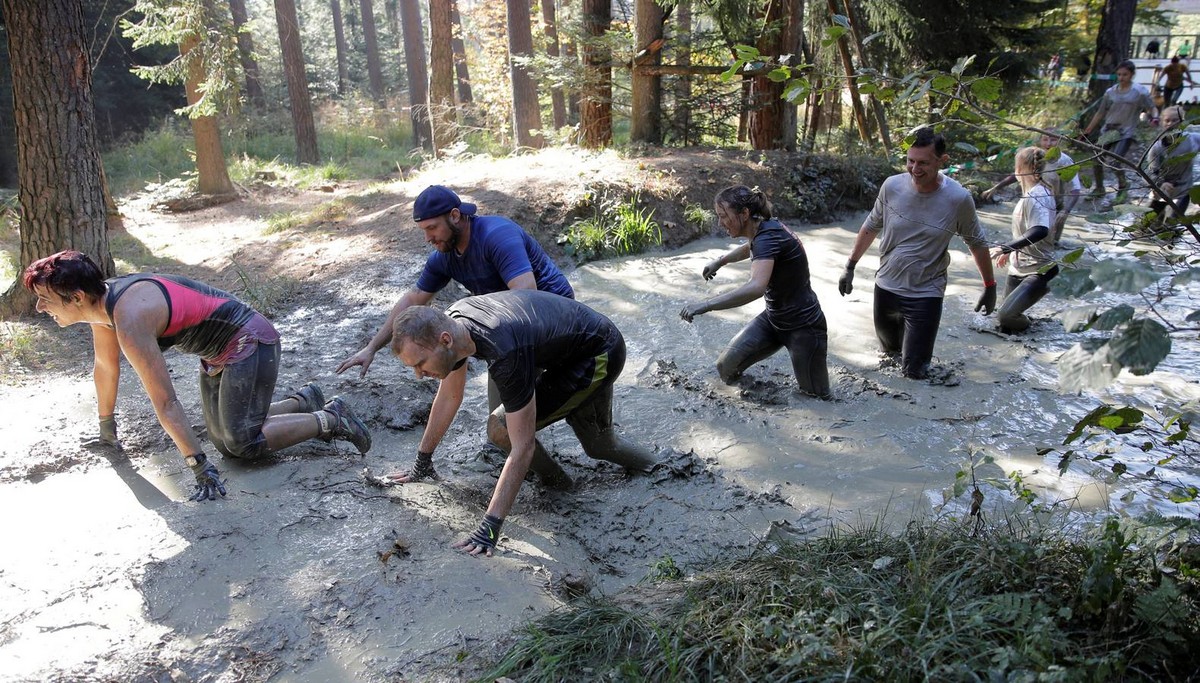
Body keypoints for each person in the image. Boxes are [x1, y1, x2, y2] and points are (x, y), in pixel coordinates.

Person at [22, 251, 372, 501]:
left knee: (241, 444)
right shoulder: (103, 305)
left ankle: (330, 417)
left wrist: (199, 467)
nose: (39, 308)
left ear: (77, 296)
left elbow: (166, 401)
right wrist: (106, 431)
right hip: (220, 353)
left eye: (44, 299)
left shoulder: (129, 320)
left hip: (251, 341)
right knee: (223, 442)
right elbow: (105, 367)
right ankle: (303, 401)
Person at [386, 291, 657, 556]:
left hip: (599, 353)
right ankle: (561, 482)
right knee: (584, 440)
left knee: (595, 445)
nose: (419, 376)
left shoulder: (505, 351)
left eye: (420, 364)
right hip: (570, 348)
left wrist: (488, 530)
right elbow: (449, 396)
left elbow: (522, 447)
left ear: (445, 340)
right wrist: (422, 463)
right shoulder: (455, 327)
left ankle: (651, 469)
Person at [336, 184, 574, 381]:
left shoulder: (497, 235)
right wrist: (372, 348)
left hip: (558, 319)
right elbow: (412, 299)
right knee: (502, 420)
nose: (428, 238)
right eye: (423, 230)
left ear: (455, 216)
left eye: (432, 228)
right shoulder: (443, 258)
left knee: (511, 418)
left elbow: (526, 295)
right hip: (513, 326)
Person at [836, 127, 997, 380]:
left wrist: (989, 285)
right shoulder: (892, 186)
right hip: (886, 289)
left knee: (914, 374)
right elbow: (870, 227)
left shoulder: (958, 199)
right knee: (888, 359)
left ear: (942, 161)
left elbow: (976, 243)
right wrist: (850, 266)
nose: (915, 169)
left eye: (923, 163)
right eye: (910, 161)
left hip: (925, 295)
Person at [679, 185, 830, 399]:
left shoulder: (768, 237)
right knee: (726, 367)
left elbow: (756, 287)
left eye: (724, 216)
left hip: (804, 327)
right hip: (774, 319)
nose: (720, 223)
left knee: (818, 399)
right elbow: (752, 247)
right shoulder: (763, 228)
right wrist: (721, 261)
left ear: (745, 214)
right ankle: (763, 401)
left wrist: (705, 305)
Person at [990, 147, 1059, 333]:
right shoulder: (1030, 194)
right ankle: (1026, 323)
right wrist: (1011, 251)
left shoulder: (1038, 194)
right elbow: (1026, 231)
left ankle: (1035, 329)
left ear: (1020, 169)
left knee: (1006, 317)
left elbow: (1039, 231)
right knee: (1003, 321)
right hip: (1018, 267)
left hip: (1040, 270)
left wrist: (1005, 248)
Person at [980, 130, 1082, 247]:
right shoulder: (1035, 156)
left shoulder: (1064, 161)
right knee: (1026, 238)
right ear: (1040, 141)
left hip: (1055, 206)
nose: (1048, 143)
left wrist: (1065, 211)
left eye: (1053, 140)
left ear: (1059, 142)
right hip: (1031, 199)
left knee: (1050, 243)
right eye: (1045, 139)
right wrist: (996, 187)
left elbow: (1075, 189)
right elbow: (1019, 174)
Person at [1082, 60, 1158, 204]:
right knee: (1096, 160)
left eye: (1125, 74)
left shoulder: (1139, 92)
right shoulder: (1110, 92)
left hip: (1125, 132)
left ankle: (1123, 187)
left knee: (1116, 161)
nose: (1122, 77)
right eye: (1119, 74)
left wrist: (1155, 117)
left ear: (1132, 75)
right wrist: (1088, 130)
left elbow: (1152, 107)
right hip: (1108, 131)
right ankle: (1099, 188)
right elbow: (1100, 112)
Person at [1145, 105, 1200, 226]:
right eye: (1167, 120)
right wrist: (1161, 183)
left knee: (1171, 226)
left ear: (1182, 122)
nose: (1171, 123)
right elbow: (1150, 172)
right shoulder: (1156, 148)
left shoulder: (1192, 140)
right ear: (1162, 123)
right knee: (1145, 226)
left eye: (1175, 120)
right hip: (1160, 191)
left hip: (1183, 191)